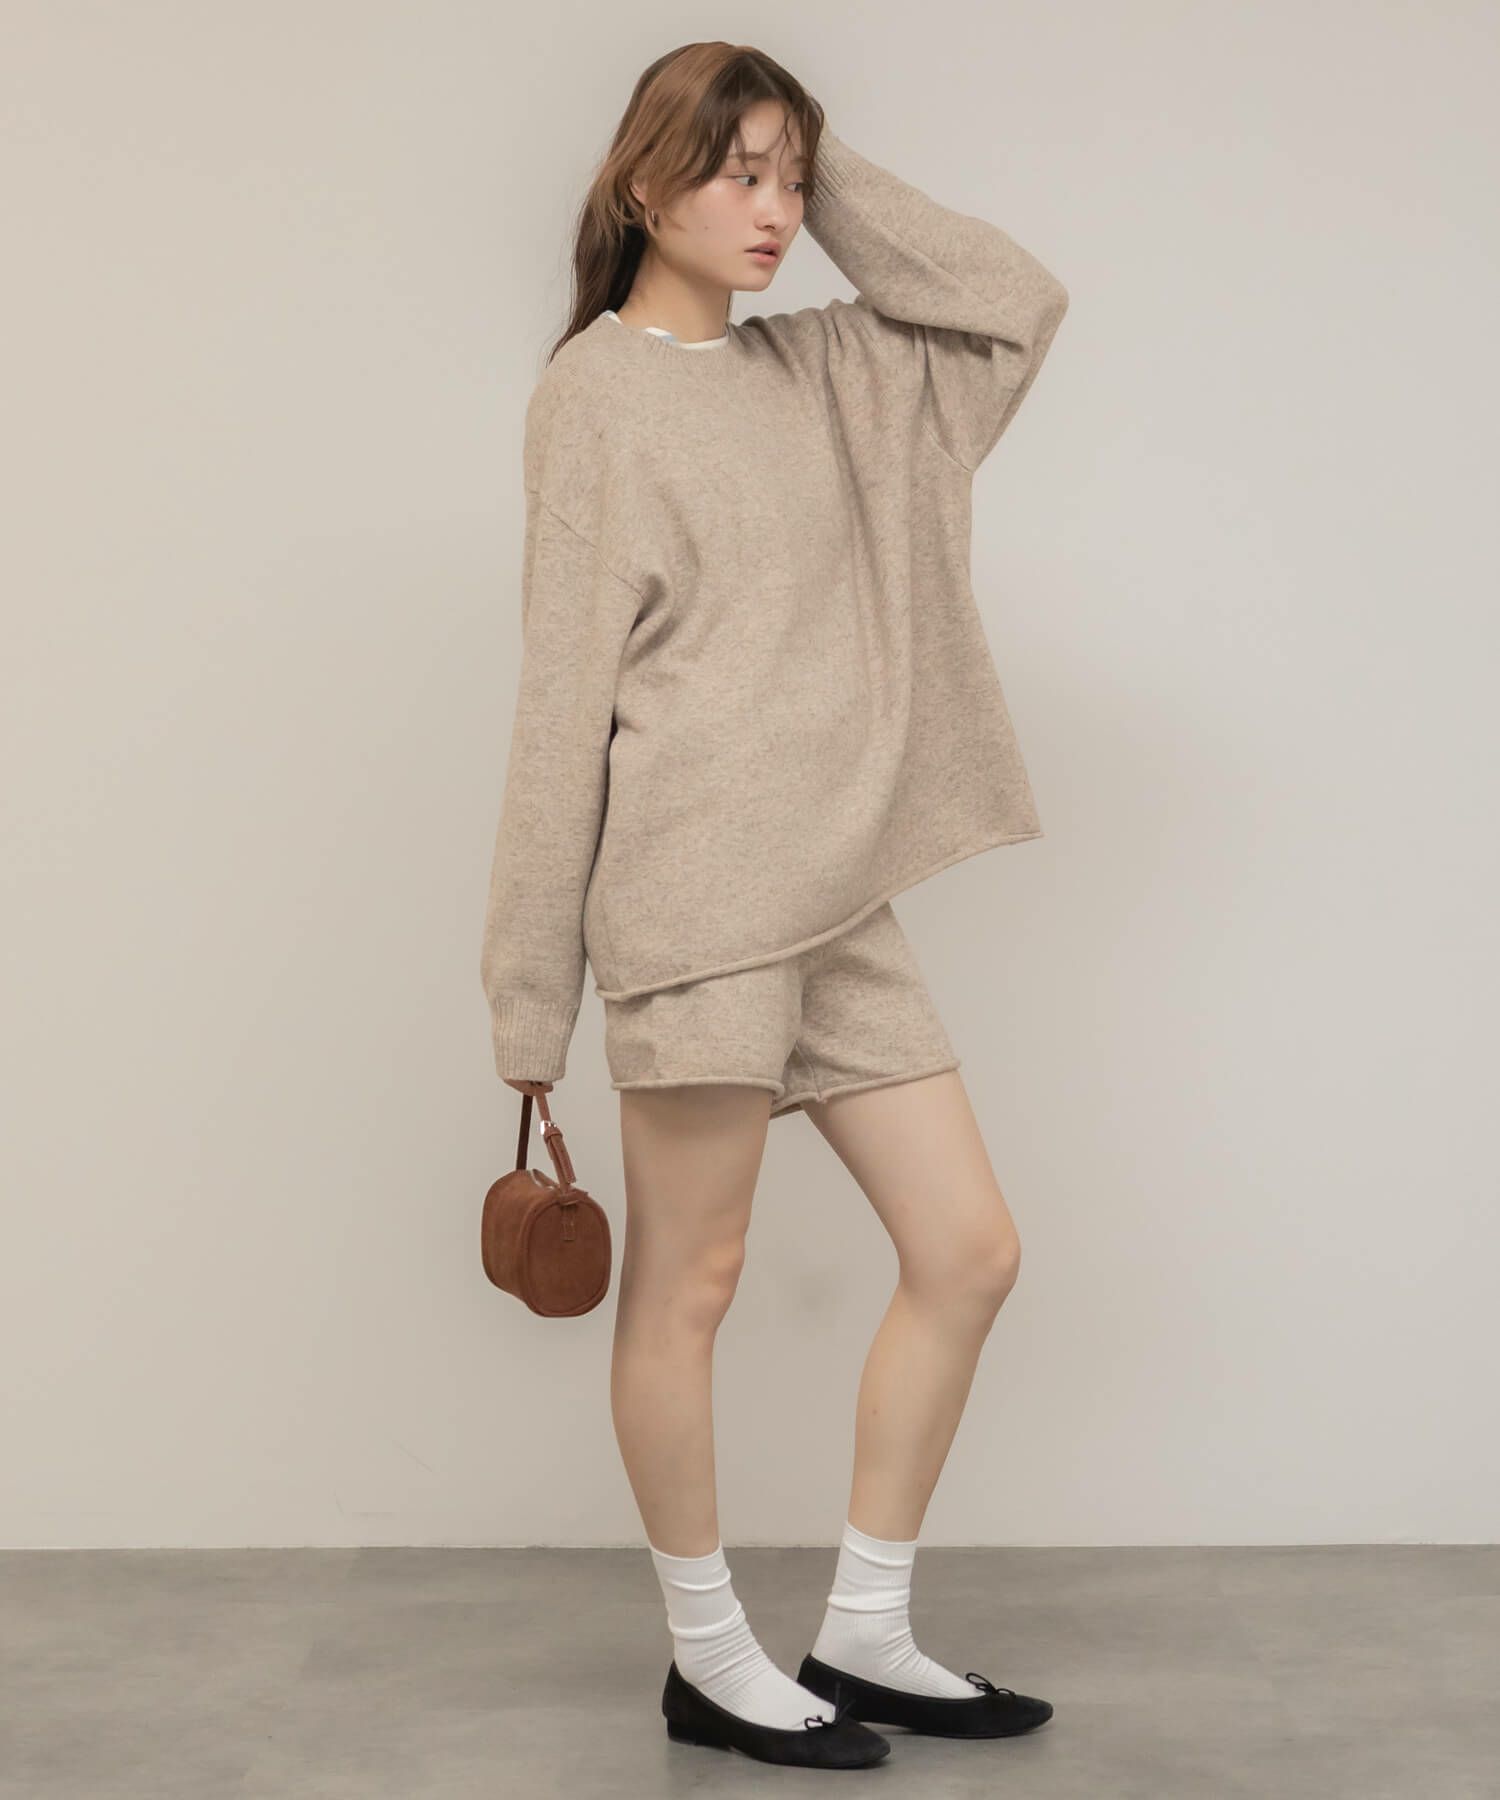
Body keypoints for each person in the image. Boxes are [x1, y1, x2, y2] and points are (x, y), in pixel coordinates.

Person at [479, 41, 1069, 1770]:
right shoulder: (594, 398)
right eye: (738, 173)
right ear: (641, 182)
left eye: (790, 180)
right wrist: (529, 997)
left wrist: (815, 151)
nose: (777, 210)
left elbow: (1013, 304)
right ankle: (710, 1656)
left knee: (969, 1251)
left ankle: (867, 1629)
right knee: (694, 1285)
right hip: (692, 906)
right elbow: (558, 705)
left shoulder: (833, 373)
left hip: (838, 899)